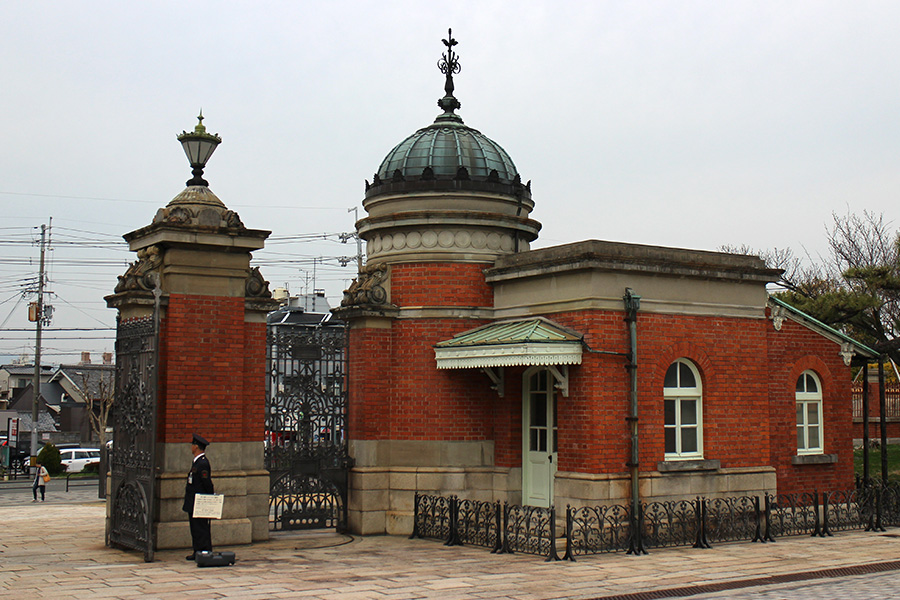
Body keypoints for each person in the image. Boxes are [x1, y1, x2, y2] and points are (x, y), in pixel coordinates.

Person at [182, 433, 214, 560]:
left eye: (193, 444)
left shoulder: (202, 463)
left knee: (201, 527)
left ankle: (204, 550)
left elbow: (207, 483)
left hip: (199, 501)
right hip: (193, 501)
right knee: (195, 528)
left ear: (197, 447)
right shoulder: (197, 463)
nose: (191, 447)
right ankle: (197, 550)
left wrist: (209, 499)